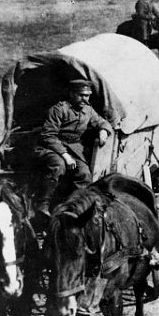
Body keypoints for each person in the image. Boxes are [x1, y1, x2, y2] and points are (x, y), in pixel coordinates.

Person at [31, 79, 113, 228]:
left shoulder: (87, 109)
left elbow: (101, 121)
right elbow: (48, 136)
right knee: (58, 165)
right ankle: (43, 204)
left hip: (74, 148)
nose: (85, 99)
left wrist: (103, 130)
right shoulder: (59, 109)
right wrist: (65, 155)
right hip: (51, 146)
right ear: (71, 94)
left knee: (84, 174)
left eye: (87, 95)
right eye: (81, 95)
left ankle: (76, 209)